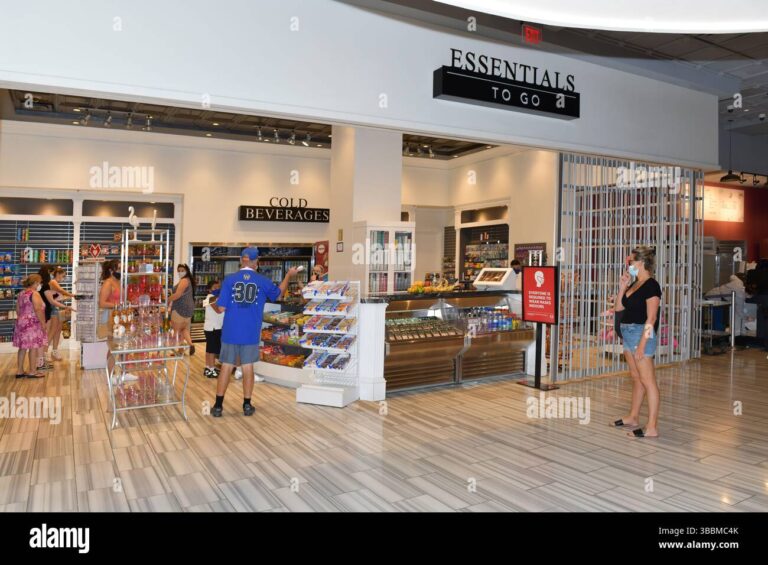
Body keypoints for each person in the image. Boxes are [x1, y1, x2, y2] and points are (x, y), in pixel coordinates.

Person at [212, 247, 299, 417]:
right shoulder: (262, 280)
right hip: (250, 331)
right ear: (255, 262)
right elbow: (278, 295)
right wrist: (288, 275)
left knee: (226, 367)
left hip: (230, 331)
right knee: (247, 367)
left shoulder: (229, 280)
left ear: (241, 260)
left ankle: (217, 406)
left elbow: (221, 307)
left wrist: (212, 303)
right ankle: (246, 405)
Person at [613, 246, 662, 438]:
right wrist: (622, 287)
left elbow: (652, 318)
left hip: (641, 334)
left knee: (648, 381)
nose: (629, 265)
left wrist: (642, 344)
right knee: (636, 378)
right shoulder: (634, 284)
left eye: (631, 261)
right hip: (628, 333)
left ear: (641, 262)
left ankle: (651, 427)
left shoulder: (651, 285)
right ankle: (633, 417)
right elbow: (619, 308)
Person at [13, 275, 48, 378]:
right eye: (39, 283)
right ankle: (33, 371)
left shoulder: (21, 294)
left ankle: (19, 371)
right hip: (33, 323)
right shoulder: (34, 293)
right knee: (33, 347)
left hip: (21, 322)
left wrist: (23, 319)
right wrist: (43, 323)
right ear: (35, 283)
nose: (40, 285)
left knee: (22, 347)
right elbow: (38, 309)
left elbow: (18, 310)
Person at [44, 267, 76, 361]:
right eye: (63, 275)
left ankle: (55, 351)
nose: (64, 277)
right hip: (52, 308)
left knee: (58, 330)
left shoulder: (54, 283)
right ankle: (44, 352)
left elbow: (58, 296)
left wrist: (66, 297)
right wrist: (72, 295)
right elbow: (61, 291)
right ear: (58, 274)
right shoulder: (53, 282)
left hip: (57, 308)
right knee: (52, 330)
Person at [98, 260, 121, 372]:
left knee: (121, 345)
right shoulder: (108, 283)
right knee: (114, 346)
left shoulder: (119, 281)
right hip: (111, 317)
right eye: (119, 268)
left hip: (121, 316)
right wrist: (116, 305)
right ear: (112, 270)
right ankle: (111, 374)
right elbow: (101, 303)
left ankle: (123, 372)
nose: (121, 270)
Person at [168, 263, 196, 356]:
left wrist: (167, 300)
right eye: (178, 271)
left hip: (180, 307)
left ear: (187, 271)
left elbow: (178, 295)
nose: (180, 272)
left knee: (177, 331)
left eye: (182, 270)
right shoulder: (189, 280)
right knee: (184, 329)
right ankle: (190, 344)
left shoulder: (184, 280)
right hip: (189, 309)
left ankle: (179, 351)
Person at [203, 280, 224, 378]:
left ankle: (208, 367)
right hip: (213, 327)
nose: (217, 289)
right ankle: (211, 369)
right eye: (215, 288)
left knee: (209, 348)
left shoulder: (214, 298)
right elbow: (218, 310)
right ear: (209, 289)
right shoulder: (209, 298)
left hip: (214, 326)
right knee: (212, 350)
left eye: (218, 287)